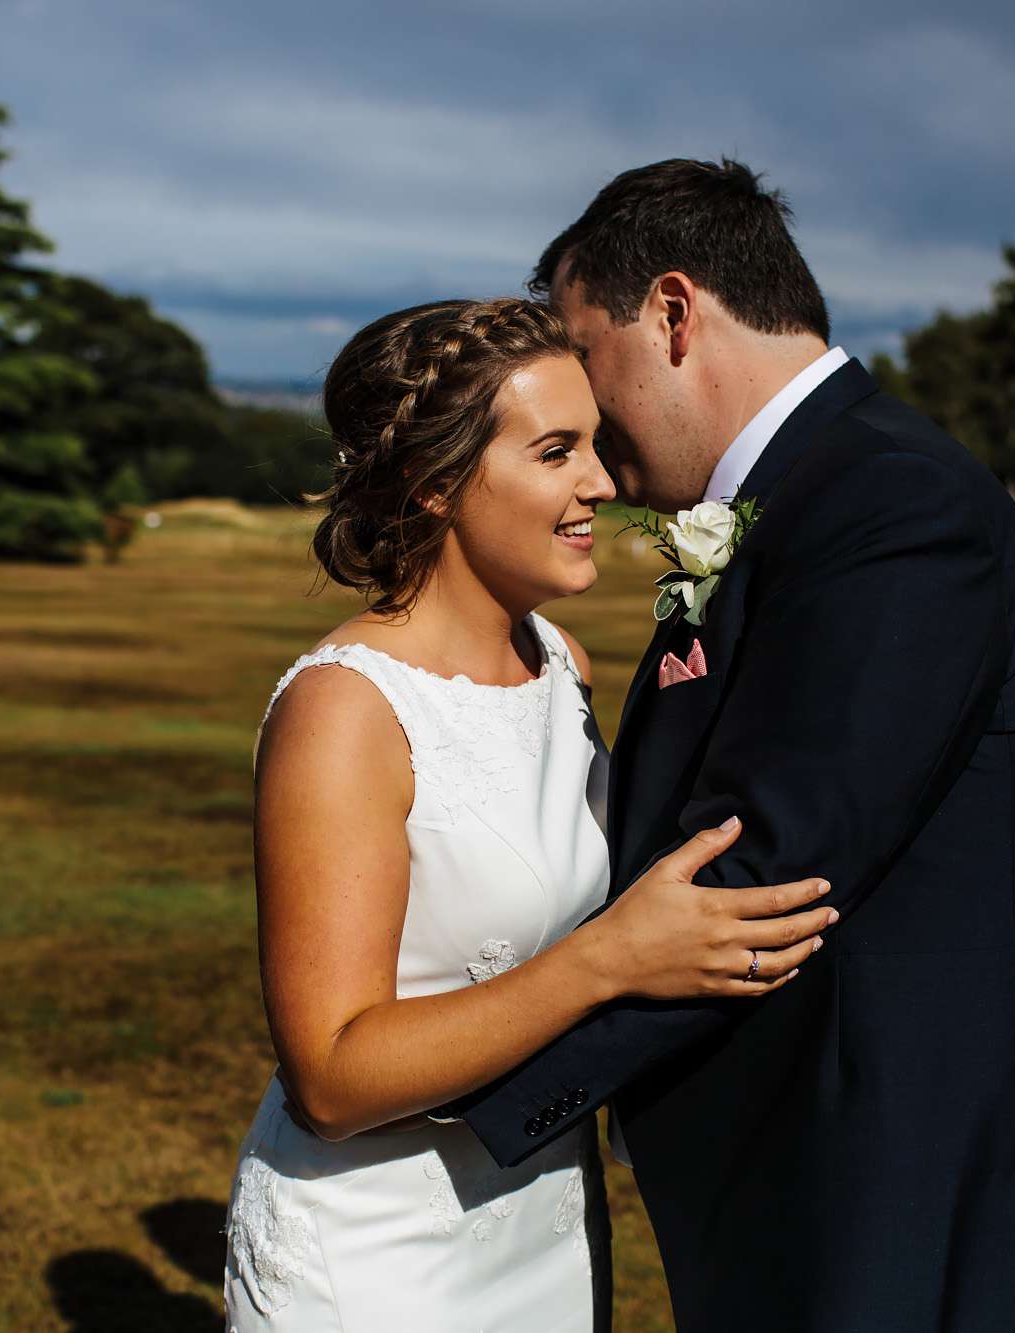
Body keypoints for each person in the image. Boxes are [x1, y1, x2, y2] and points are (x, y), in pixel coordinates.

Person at [440, 160, 1015, 1330]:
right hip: (802, 1140)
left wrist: (457, 1092)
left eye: (585, 358)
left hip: (887, 1154)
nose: (582, 427)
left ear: (674, 314)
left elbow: (764, 869)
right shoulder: (804, 496)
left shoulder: (891, 505)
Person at [225, 297, 836, 1332]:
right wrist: (609, 958)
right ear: (431, 485)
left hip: (543, 1223)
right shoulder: (346, 712)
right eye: (556, 450)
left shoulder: (562, 665)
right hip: (377, 1258)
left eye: (595, 443)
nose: (601, 482)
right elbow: (328, 1073)